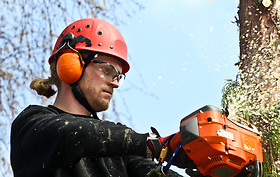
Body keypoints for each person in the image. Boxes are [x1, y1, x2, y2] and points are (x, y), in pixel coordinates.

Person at [10, 18, 191, 177]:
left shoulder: (119, 150)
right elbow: (72, 133)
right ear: (70, 65)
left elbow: (150, 172)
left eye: (118, 76)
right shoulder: (31, 124)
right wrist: (153, 144)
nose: (115, 83)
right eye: (106, 70)